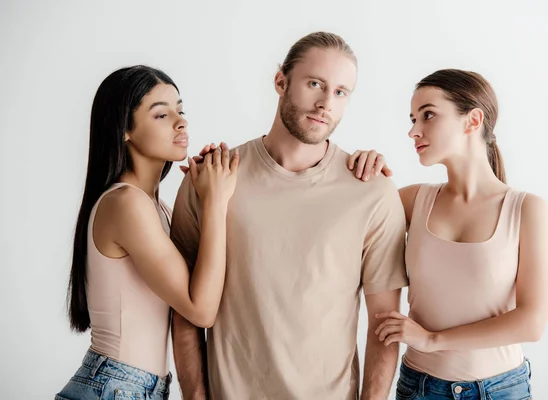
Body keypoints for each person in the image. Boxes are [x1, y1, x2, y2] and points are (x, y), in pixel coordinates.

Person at [170, 31, 408, 399]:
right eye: (315, 84)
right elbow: (184, 309)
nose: (326, 103)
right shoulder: (211, 180)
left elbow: (383, 327)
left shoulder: (372, 191)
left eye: (341, 92)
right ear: (281, 81)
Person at [349, 69, 548, 399]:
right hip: (420, 388)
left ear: (472, 121)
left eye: (428, 115)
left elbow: (532, 323)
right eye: (413, 118)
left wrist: (432, 339)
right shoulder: (414, 200)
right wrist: (365, 173)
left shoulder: (526, 210)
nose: (414, 131)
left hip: (502, 390)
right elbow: (349, 225)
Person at [56, 65, 238, 400]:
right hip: (116, 387)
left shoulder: (156, 208)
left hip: (131, 387)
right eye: (161, 115)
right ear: (124, 129)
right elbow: (200, 308)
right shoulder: (126, 204)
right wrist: (215, 202)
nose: (180, 121)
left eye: (180, 110)